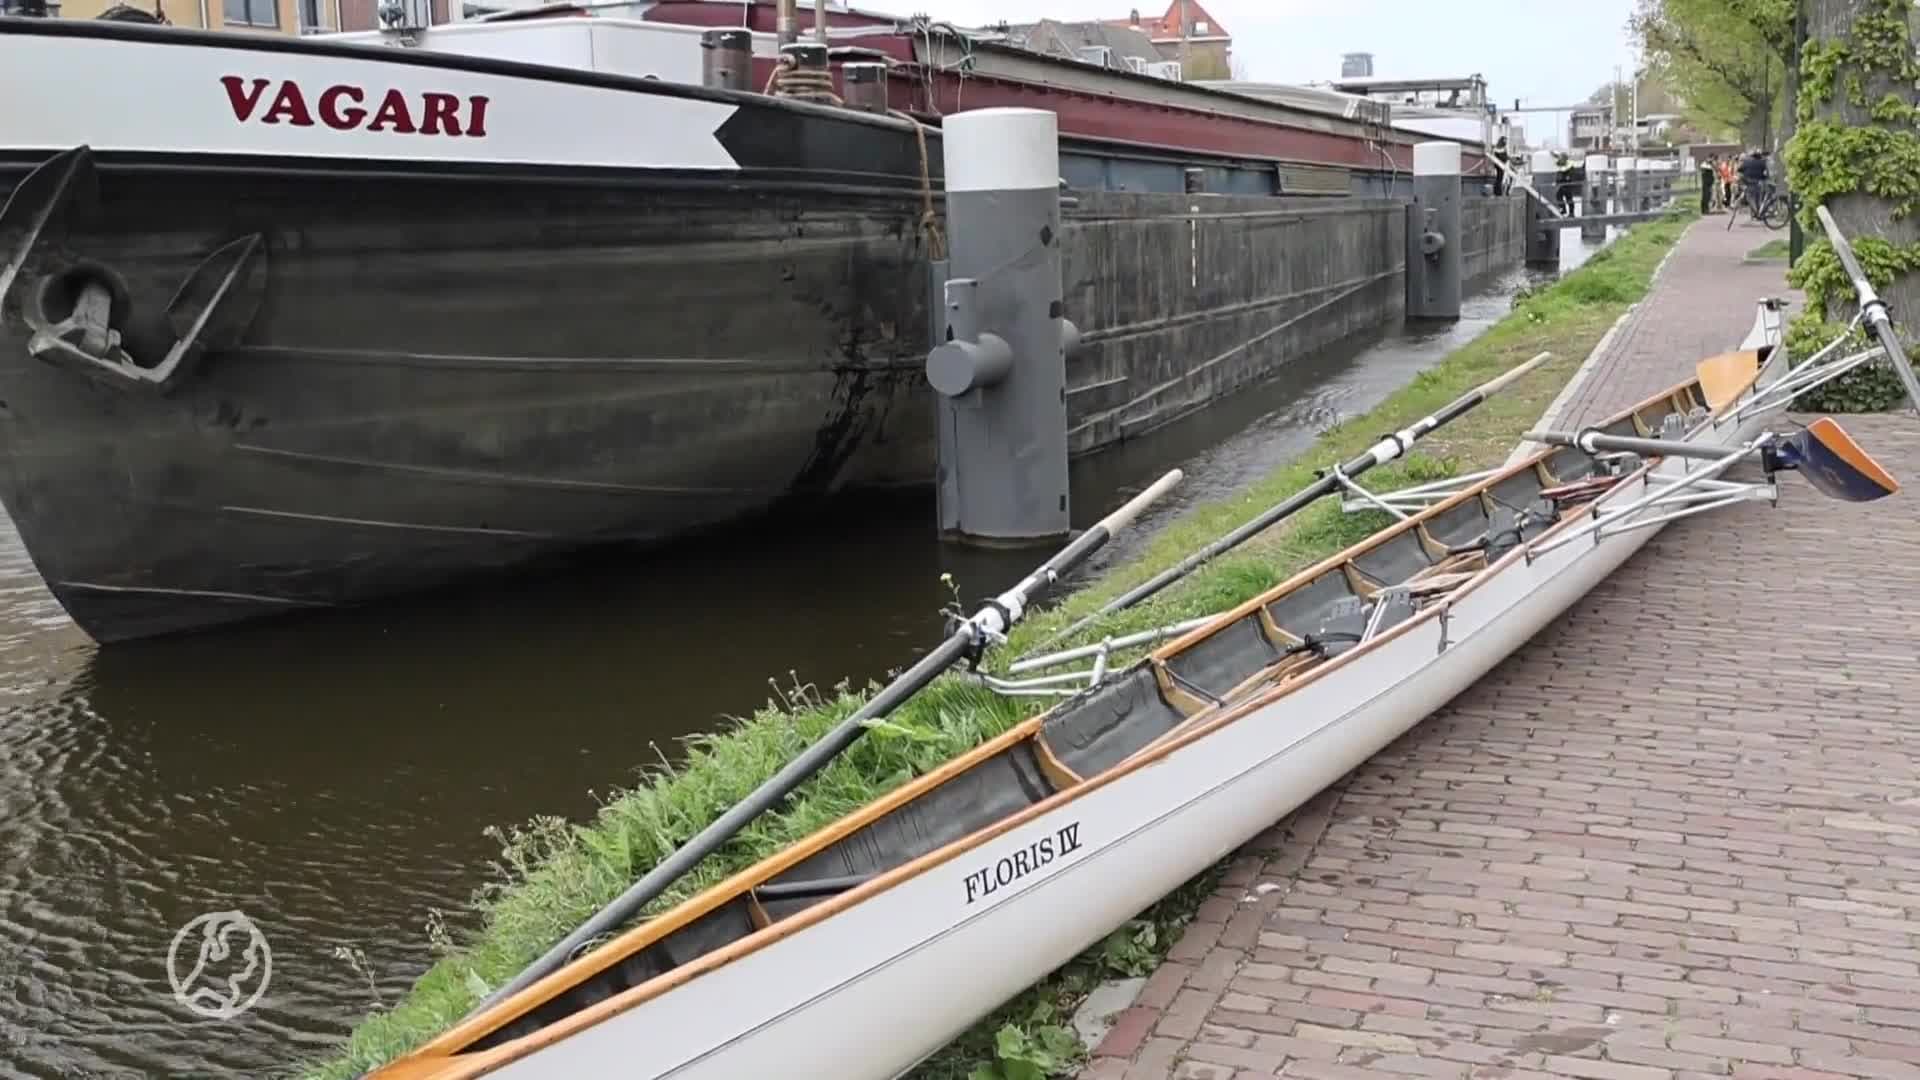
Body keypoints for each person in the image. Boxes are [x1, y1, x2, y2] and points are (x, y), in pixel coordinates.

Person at [1737, 148, 1771, 214]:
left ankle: (1755, 211)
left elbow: (1739, 170)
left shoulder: (1746, 162)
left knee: (1750, 197)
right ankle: (1758, 211)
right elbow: (1766, 173)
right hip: (1758, 182)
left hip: (1748, 182)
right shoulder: (1762, 163)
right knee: (1758, 198)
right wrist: (1765, 178)